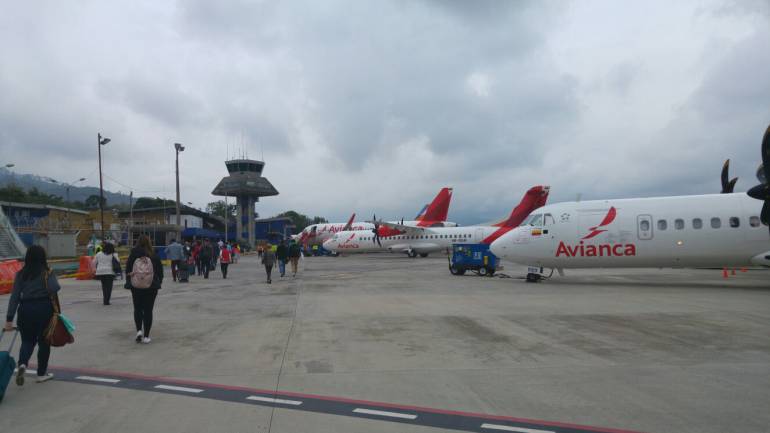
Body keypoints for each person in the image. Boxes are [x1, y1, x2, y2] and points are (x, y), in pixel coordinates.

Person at [4, 245, 59, 384]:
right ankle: (41, 374)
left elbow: (15, 296)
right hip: (43, 309)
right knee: (44, 342)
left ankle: (22, 364)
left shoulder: (21, 274)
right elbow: (54, 288)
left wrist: (9, 318)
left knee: (27, 340)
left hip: (25, 309)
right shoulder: (47, 272)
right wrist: (50, 275)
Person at [125, 235, 163, 344]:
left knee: (137, 309)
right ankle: (146, 336)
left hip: (136, 286)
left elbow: (127, 270)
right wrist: (158, 282)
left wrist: (130, 281)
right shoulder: (153, 255)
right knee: (148, 310)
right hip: (151, 286)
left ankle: (138, 331)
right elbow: (160, 272)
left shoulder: (133, 255)